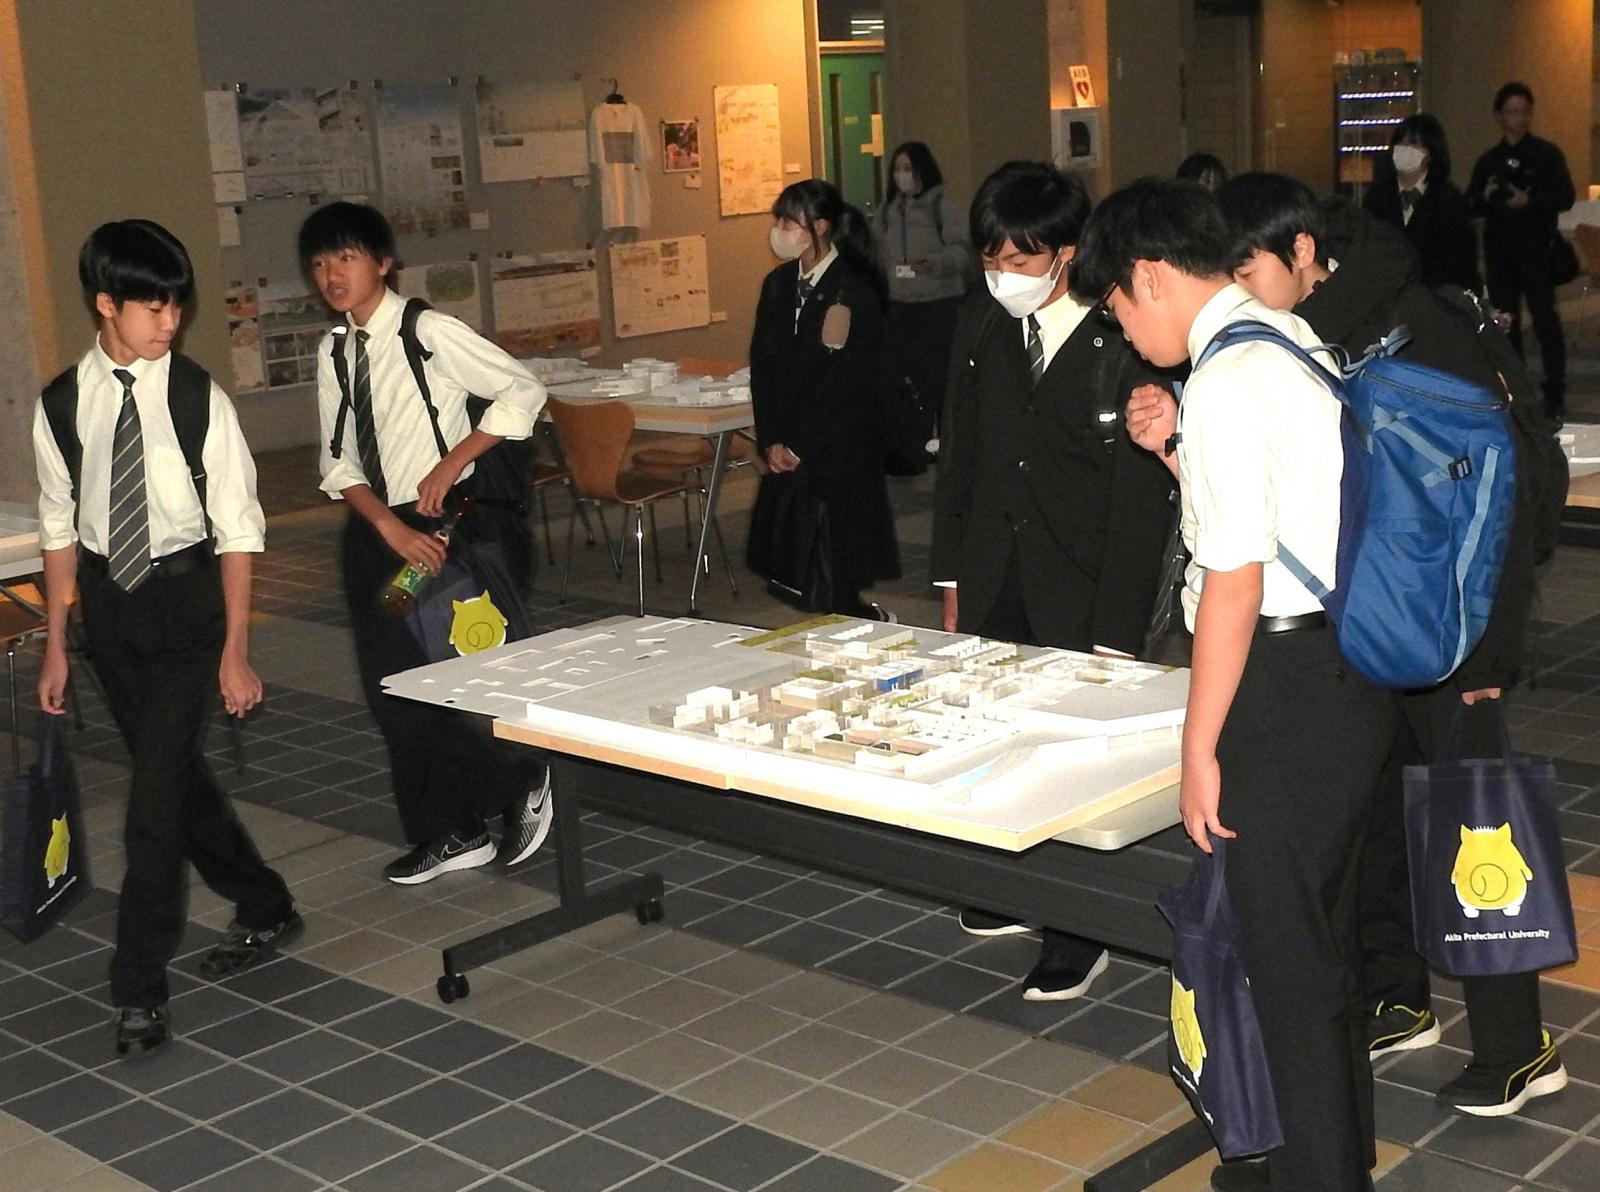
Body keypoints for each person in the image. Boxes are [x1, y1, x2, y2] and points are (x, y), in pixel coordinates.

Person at [1218, 173, 1564, 1121]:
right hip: (1362, 625)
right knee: (1371, 820)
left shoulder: (1419, 327)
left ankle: (1518, 1047)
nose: (1238, 295)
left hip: (1452, 633)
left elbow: (1506, 495)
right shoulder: (1307, 336)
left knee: (1476, 829)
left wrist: (1490, 660)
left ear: (1302, 253)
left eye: (1246, 271)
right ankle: (1398, 996)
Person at [1078, 179, 1398, 1192]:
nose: (1126, 334)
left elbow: (1234, 582)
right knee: (1320, 942)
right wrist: (1176, 451)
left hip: (1282, 685)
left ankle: (1318, 1176)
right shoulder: (1286, 337)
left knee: (1286, 965)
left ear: (1149, 275)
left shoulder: (1223, 380)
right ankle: (1328, 1156)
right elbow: (1278, 514)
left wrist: (1198, 749)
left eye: (1117, 308)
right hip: (1347, 669)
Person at [33, 220, 300, 1056]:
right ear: (105, 304)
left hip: (188, 606)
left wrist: (235, 650)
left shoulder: (195, 397)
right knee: (174, 778)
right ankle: (264, 903)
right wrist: (56, 642)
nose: (170, 321)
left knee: (150, 809)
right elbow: (58, 525)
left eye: (176, 305)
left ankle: (138, 989)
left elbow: (239, 528)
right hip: (110, 611)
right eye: (153, 307)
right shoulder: (62, 404)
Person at [931, 161, 1176, 1001]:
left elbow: (1139, 502)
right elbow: (962, 455)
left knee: (1074, 760)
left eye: (1019, 260)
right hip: (996, 571)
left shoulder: (1122, 336)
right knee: (1002, 736)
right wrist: (951, 577)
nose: (1002, 275)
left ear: (1067, 254)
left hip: (1082, 580)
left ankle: (1078, 930)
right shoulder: (982, 324)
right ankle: (1014, 890)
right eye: (990, 259)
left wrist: (1117, 626)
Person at [300, 201, 553, 885]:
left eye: (346, 257)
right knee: (392, 691)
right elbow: (337, 462)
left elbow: (522, 390)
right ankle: (453, 829)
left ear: (383, 263)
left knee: (456, 678)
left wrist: (453, 460)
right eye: (319, 263)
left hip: (444, 529)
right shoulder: (334, 350)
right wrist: (386, 526)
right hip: (382, 530)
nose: (332, 275)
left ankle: (520, 779)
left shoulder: (427, 331)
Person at [750, 178, 901, 620]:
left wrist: (801, 444)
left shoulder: (851, 288)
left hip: (839, 443)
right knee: (799, 563)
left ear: (819, 226)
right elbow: (763, 366)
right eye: (779, 221)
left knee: (838, 561)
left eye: (789, 222)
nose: (780, 231)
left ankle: (862, 620)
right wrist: (772, 439)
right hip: (789, 437)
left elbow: (845, 379)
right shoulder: (778, 284)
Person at [1466, 82, 1575, 420]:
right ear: (1500, 116)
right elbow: (1469, 205)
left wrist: (1530, 200)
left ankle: (1555, 393)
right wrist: (1485, 196)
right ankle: (1514, 392)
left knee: (1546, 322)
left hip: (1537, 251)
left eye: (1524, 111)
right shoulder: (1489, 161)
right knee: (1505, 326)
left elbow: (1565, 197)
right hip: (1500, 254)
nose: (1519, 118)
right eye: (1512, 112)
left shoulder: (1546, 155)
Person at [875, 141, 971, 449]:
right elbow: (877, 251)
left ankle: (944, 440)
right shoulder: (887, 211)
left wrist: (937, 264)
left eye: (907, 168)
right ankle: (912, 442)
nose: (901, 175)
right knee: (905, 378)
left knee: (939, 377)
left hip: (937, 305)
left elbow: (962, 251)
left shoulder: (941, 207)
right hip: (900, 305)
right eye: (897, 169)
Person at [1364, 112, 1480, 293]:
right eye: (1401, 143)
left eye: (1415, 144)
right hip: (1386, 296)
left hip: (1436, 297)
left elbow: (1460, 264)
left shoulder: (1450, 202)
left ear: (1431, 152)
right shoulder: (1376, 199)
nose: (1406, 150)